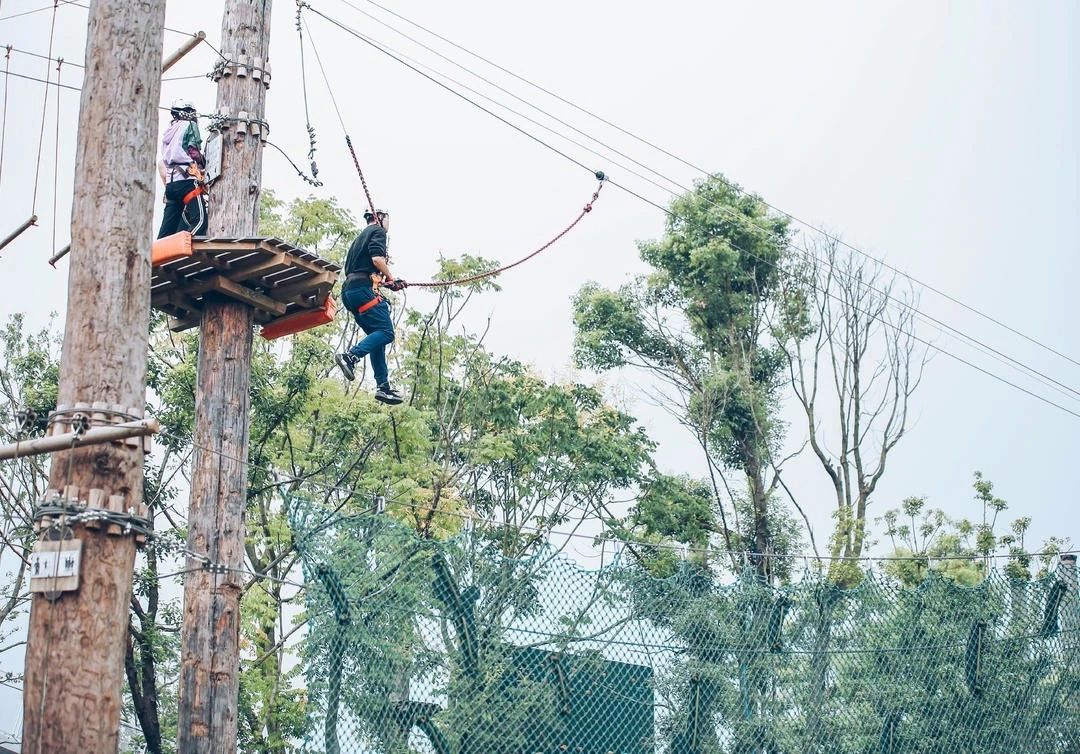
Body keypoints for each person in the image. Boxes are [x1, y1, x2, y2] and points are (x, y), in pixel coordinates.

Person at [335, 209, 407, 405]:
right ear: (380, 218)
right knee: (386, 332)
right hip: (361, 290)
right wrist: (391, 279)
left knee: (378, 337)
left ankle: (382, 387)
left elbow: (367, 268)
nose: (388, 226)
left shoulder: (359, 239)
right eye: (388, 221)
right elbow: (377, 259)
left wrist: (390, 282)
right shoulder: (378, 231)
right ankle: (350, 356)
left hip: (350, 293)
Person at [157, 98, 209, 239]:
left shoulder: (169, 131)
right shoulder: (190, 125)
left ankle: (158, 259)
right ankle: (185, 248)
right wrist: (204, 162)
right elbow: (193, 152)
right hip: (186, 184)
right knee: (201, 222)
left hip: (171, 185)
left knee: (167, 230)